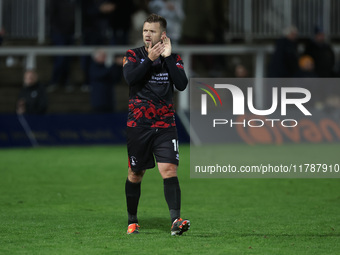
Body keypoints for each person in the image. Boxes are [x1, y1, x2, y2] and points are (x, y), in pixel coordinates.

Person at [123, 13, 190, 236]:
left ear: (163, 35)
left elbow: (181, 84)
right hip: (138, 125)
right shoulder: (133, 55)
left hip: (165, 124)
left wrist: (168, 58)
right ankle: (132, 220)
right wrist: (149, 60)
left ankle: (175, 221)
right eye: (145, 31)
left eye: (152, 31)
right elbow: (131, 78)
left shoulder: (174, 58)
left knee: (169, 169)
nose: (147, 35)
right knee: (136, 173)